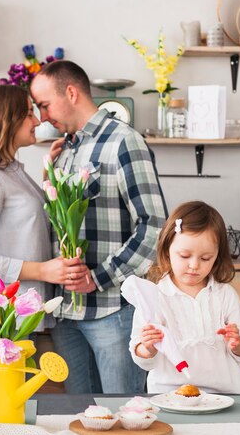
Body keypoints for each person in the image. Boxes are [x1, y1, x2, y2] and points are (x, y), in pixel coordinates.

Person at [30, 61, 167, 393]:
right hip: (66, 317)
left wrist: (98, 277)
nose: (43, 116)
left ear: (72, 93)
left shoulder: (124, 142)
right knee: (82, 416)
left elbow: (154, 225)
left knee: (124, 414)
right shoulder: (63, 152)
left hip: (112, 313)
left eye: (45, 105)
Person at [0, 84, 87, 310]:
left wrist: (49, 176)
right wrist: (43, 270)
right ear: (6, 119)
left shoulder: (11, 172)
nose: (37, 121)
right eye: (28, 114)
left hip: (18, 314)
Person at [129, 201, 240, 394]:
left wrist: (238, 343)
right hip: (170, 395)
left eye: (205, 258)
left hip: (226, 394)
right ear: (167, 250)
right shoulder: (153, 296)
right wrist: (147, 347)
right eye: (184, 256)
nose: (194, 265)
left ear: (217, 257)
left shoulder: (224, 294)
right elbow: (141, 355)